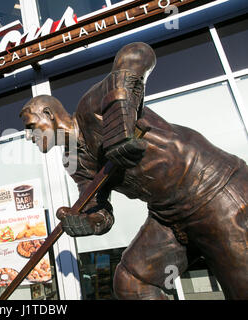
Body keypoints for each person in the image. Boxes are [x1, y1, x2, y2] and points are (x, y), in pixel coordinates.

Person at [19, 42, 248, 300]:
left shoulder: (91, 107)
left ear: (48, 114)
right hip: (168, 216)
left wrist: (120, 123)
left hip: (213, 190)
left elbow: (138, 53)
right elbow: (99, 209)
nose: (29, 136)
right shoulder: (74, 161)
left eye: (30, 126)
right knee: (132, 281)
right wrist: (87, 222)